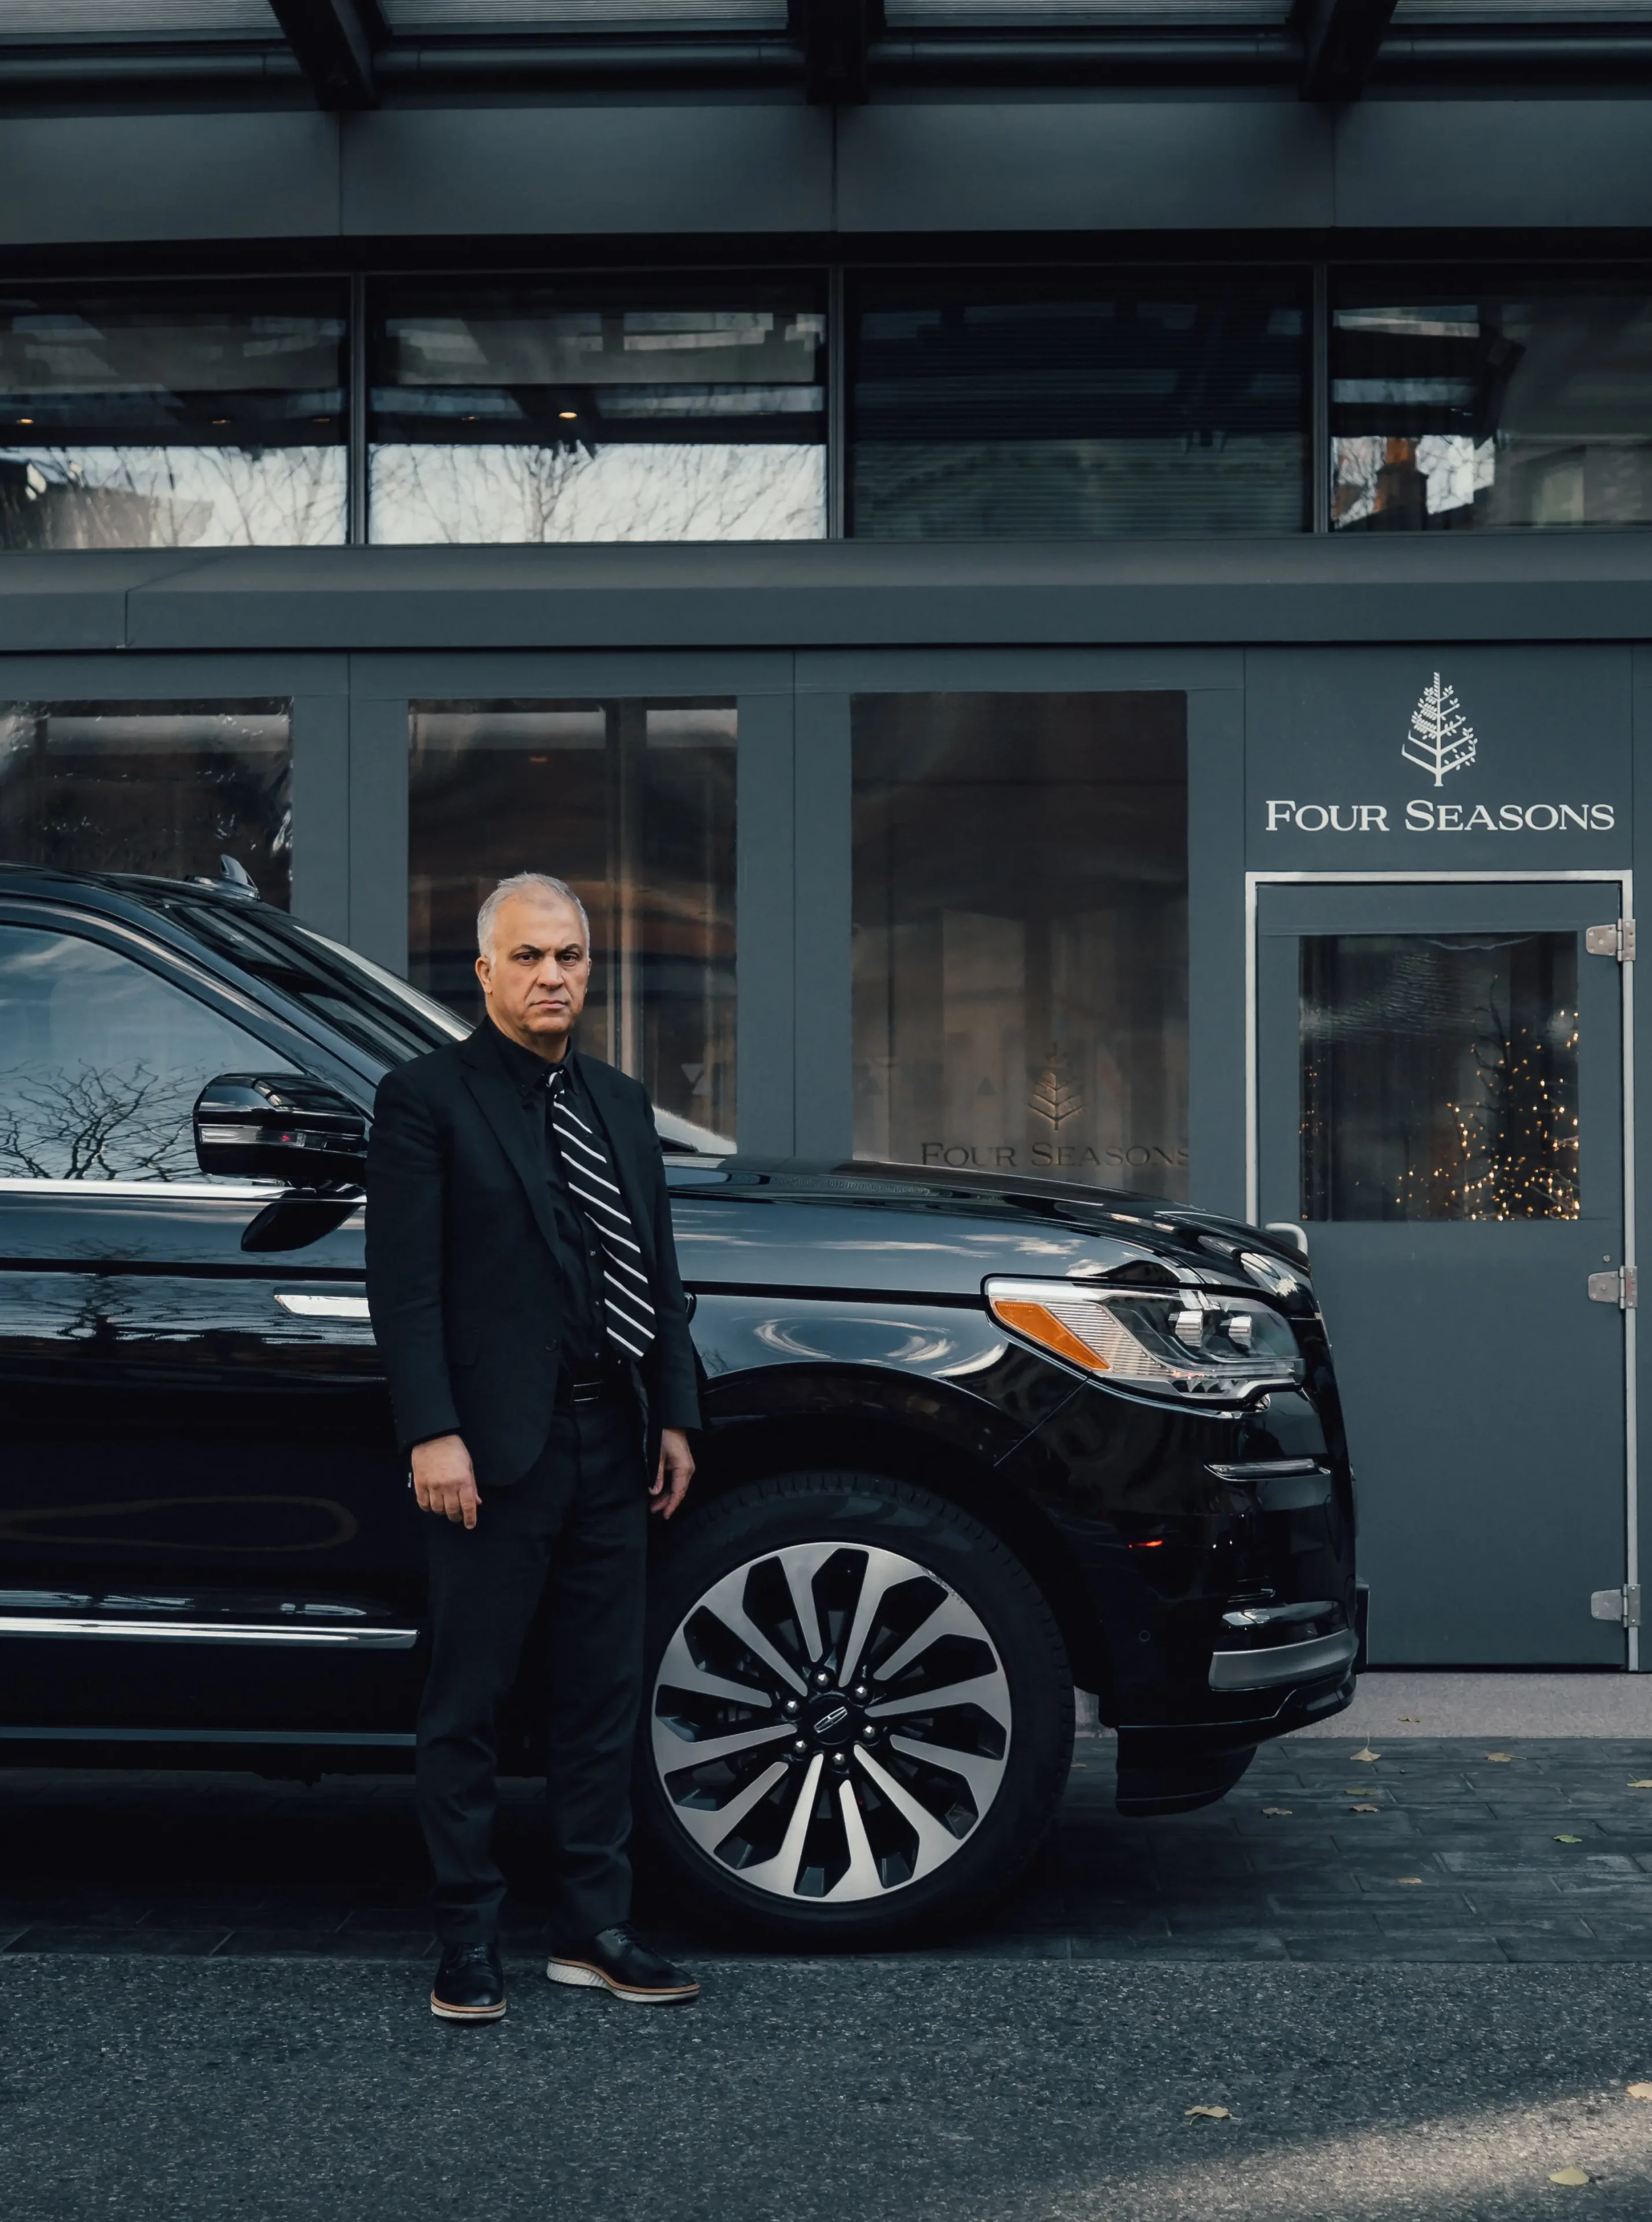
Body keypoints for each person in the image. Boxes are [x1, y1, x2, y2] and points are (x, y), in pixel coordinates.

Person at [366, 870, 701, 2021]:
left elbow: (652, 1274)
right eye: (529, 958)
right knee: (466, 1701)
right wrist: (432, 1435)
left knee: (600, 1698)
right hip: (489, 1454)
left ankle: (592, 1928)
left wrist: (672, 1412)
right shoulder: (425, 1099)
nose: (553, 976)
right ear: (484, 972)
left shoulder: (617, 1100)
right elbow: (403, 1292)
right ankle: (467, 1939)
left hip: (611, 1439)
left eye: (568, 957)